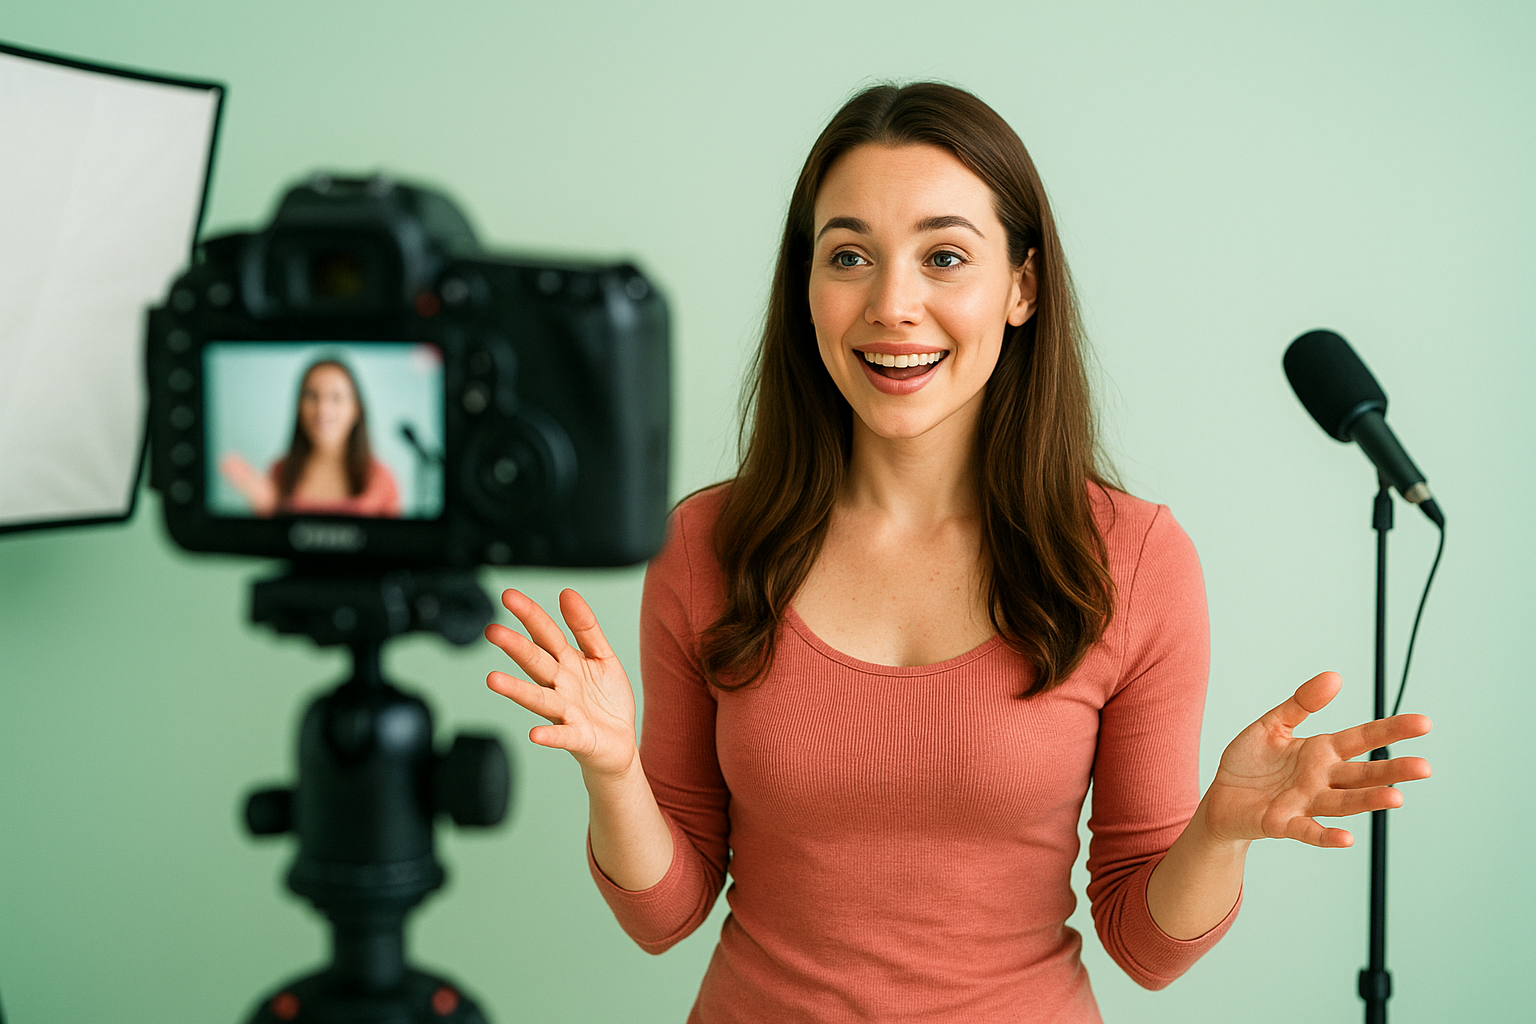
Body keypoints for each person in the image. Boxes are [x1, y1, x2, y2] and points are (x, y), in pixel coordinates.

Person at [482, 83, 1432, 1023]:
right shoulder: (705, 546)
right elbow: (666, 915)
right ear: (806, 287)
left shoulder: (1134, 559)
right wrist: (615, 772)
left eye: (943, 257)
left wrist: (1219, 831)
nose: (893, 305)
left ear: (1022, 286)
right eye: (849, 256)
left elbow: (1145, 951)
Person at [220, 357, 401, 518]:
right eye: (312, 396)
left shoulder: (381, 479)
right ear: (299, 408)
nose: (322, 409)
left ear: (356, 409)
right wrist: (265, 504)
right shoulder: (280, 472)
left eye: (336, 397)